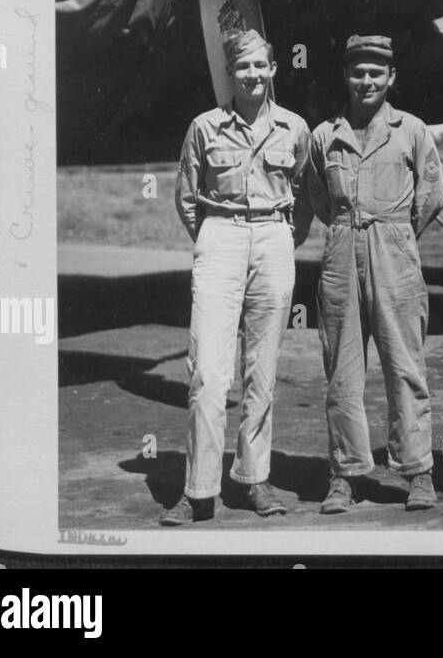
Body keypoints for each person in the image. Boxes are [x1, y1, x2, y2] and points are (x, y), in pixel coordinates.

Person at [162, 28, 311, 525]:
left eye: (260, 66)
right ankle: (198, 491)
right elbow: (187, 197)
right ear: (231, 73)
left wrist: (284, 238)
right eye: (242, 67)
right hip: (220, 236)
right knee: (207, 373)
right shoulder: (204, 127)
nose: (252, 75)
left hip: (273, 236)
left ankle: (254, 480)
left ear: (273, 70)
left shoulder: (294, 128)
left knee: (261, 370)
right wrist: (216, 238)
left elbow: (305, 198)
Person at [302, 35, 443, 515]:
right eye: (357, 72)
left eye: (376, 73)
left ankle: (418, 471)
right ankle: (345, 475)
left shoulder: (411, 130)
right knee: (342, 370)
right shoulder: (326, 134)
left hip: (394, 249)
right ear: (345, 76)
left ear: (391, 78)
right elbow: (319, 198)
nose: (366, 81)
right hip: (342, 250)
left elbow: (431, 195)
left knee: (405, 364)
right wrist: (350, 229)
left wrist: (397, 233)